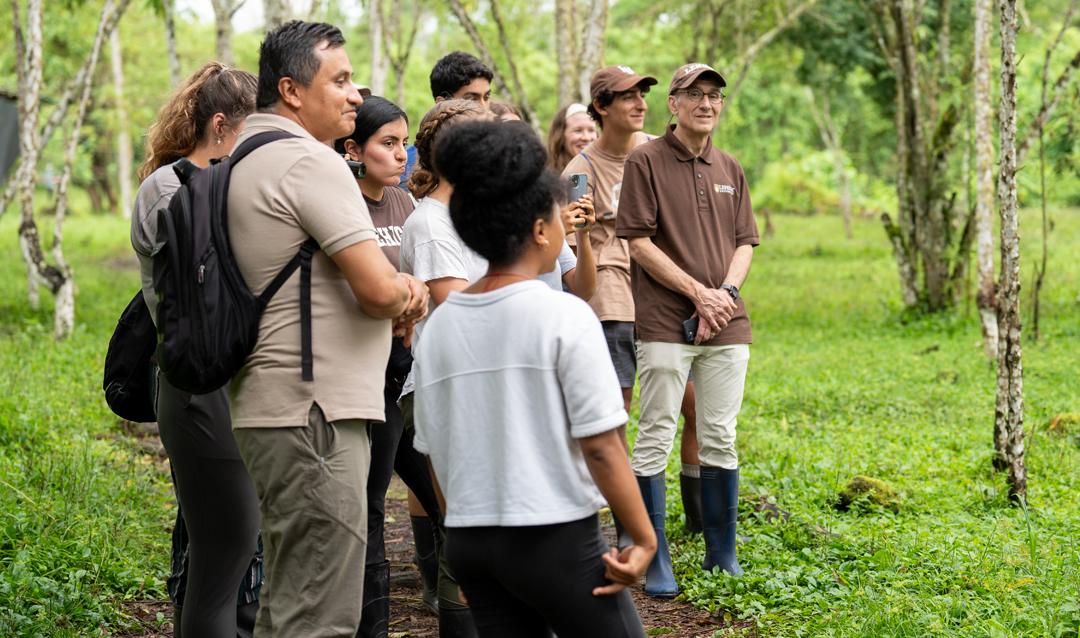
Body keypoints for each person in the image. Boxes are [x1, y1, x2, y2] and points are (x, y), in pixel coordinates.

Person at [413, 118, 656, 638]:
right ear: (541, 230)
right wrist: (642, 536)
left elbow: (435, 451)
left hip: (470, 543)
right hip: (553, 538)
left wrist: (461, 522)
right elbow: (603, 447)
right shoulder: (564, 317)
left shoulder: (439, 326)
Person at [226, 21, 428, 636]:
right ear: (291, 90)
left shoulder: (245, 154)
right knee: (320, 617)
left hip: (277, 407)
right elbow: (377, 289)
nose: (355, 95)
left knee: (288, 605)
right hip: (315, 415)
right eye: (339, 80)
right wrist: (412, 292)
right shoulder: (309, 163)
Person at [130, 61, 262, 638]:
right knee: (222, 553)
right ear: (220, 125)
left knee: (231, 551)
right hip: (197, 387)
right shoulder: (169, 187)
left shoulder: (212, 180)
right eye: (254, 132)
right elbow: (210, 282)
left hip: (223, 388)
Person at [617, 63, 759, 592]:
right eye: (694, 94)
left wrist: (722, 296)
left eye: (715, 95)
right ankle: (654, 557)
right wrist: (696, 293)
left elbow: (745, 242)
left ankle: (722, 555)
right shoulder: (646, 161)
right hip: (661, 320)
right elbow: (637, 241)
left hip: (727, 321)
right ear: (673, 104)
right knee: (655, 433)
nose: (706, 103)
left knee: (721, 435)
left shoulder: (730, 166)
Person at [333, 96, 443, 638]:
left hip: (408, 375)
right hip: (362, 380)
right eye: (387, 143)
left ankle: (461, 603)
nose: (402, 154)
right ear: (353, 148)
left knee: (446, 494)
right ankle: (372, 626)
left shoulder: (404, 204)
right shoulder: (340, 204)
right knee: (371, 506)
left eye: (404, 143)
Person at [399, 98, 493, 636]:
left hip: (479, 377)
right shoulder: (433, 224)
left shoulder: (469, 216)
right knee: (463, 517)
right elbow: (456, 307)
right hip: (449, 379)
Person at [547, 102, 597, 172]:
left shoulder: (604, 171)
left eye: (591, 130)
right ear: (560, 135)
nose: (586, 137)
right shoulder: (545, 175)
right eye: (578, 131)